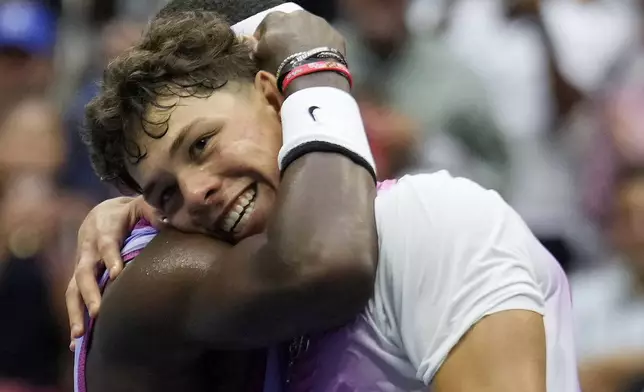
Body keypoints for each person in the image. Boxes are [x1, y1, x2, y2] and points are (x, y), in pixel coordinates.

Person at [67, 1, 579, 391]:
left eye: (203, 144)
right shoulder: (162, 268)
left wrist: (309, 75)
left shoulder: (426, 218)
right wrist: (317, 70)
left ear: (273, 95)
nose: (194, 194)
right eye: (165, 194)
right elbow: (318, 260)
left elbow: (319, 259)